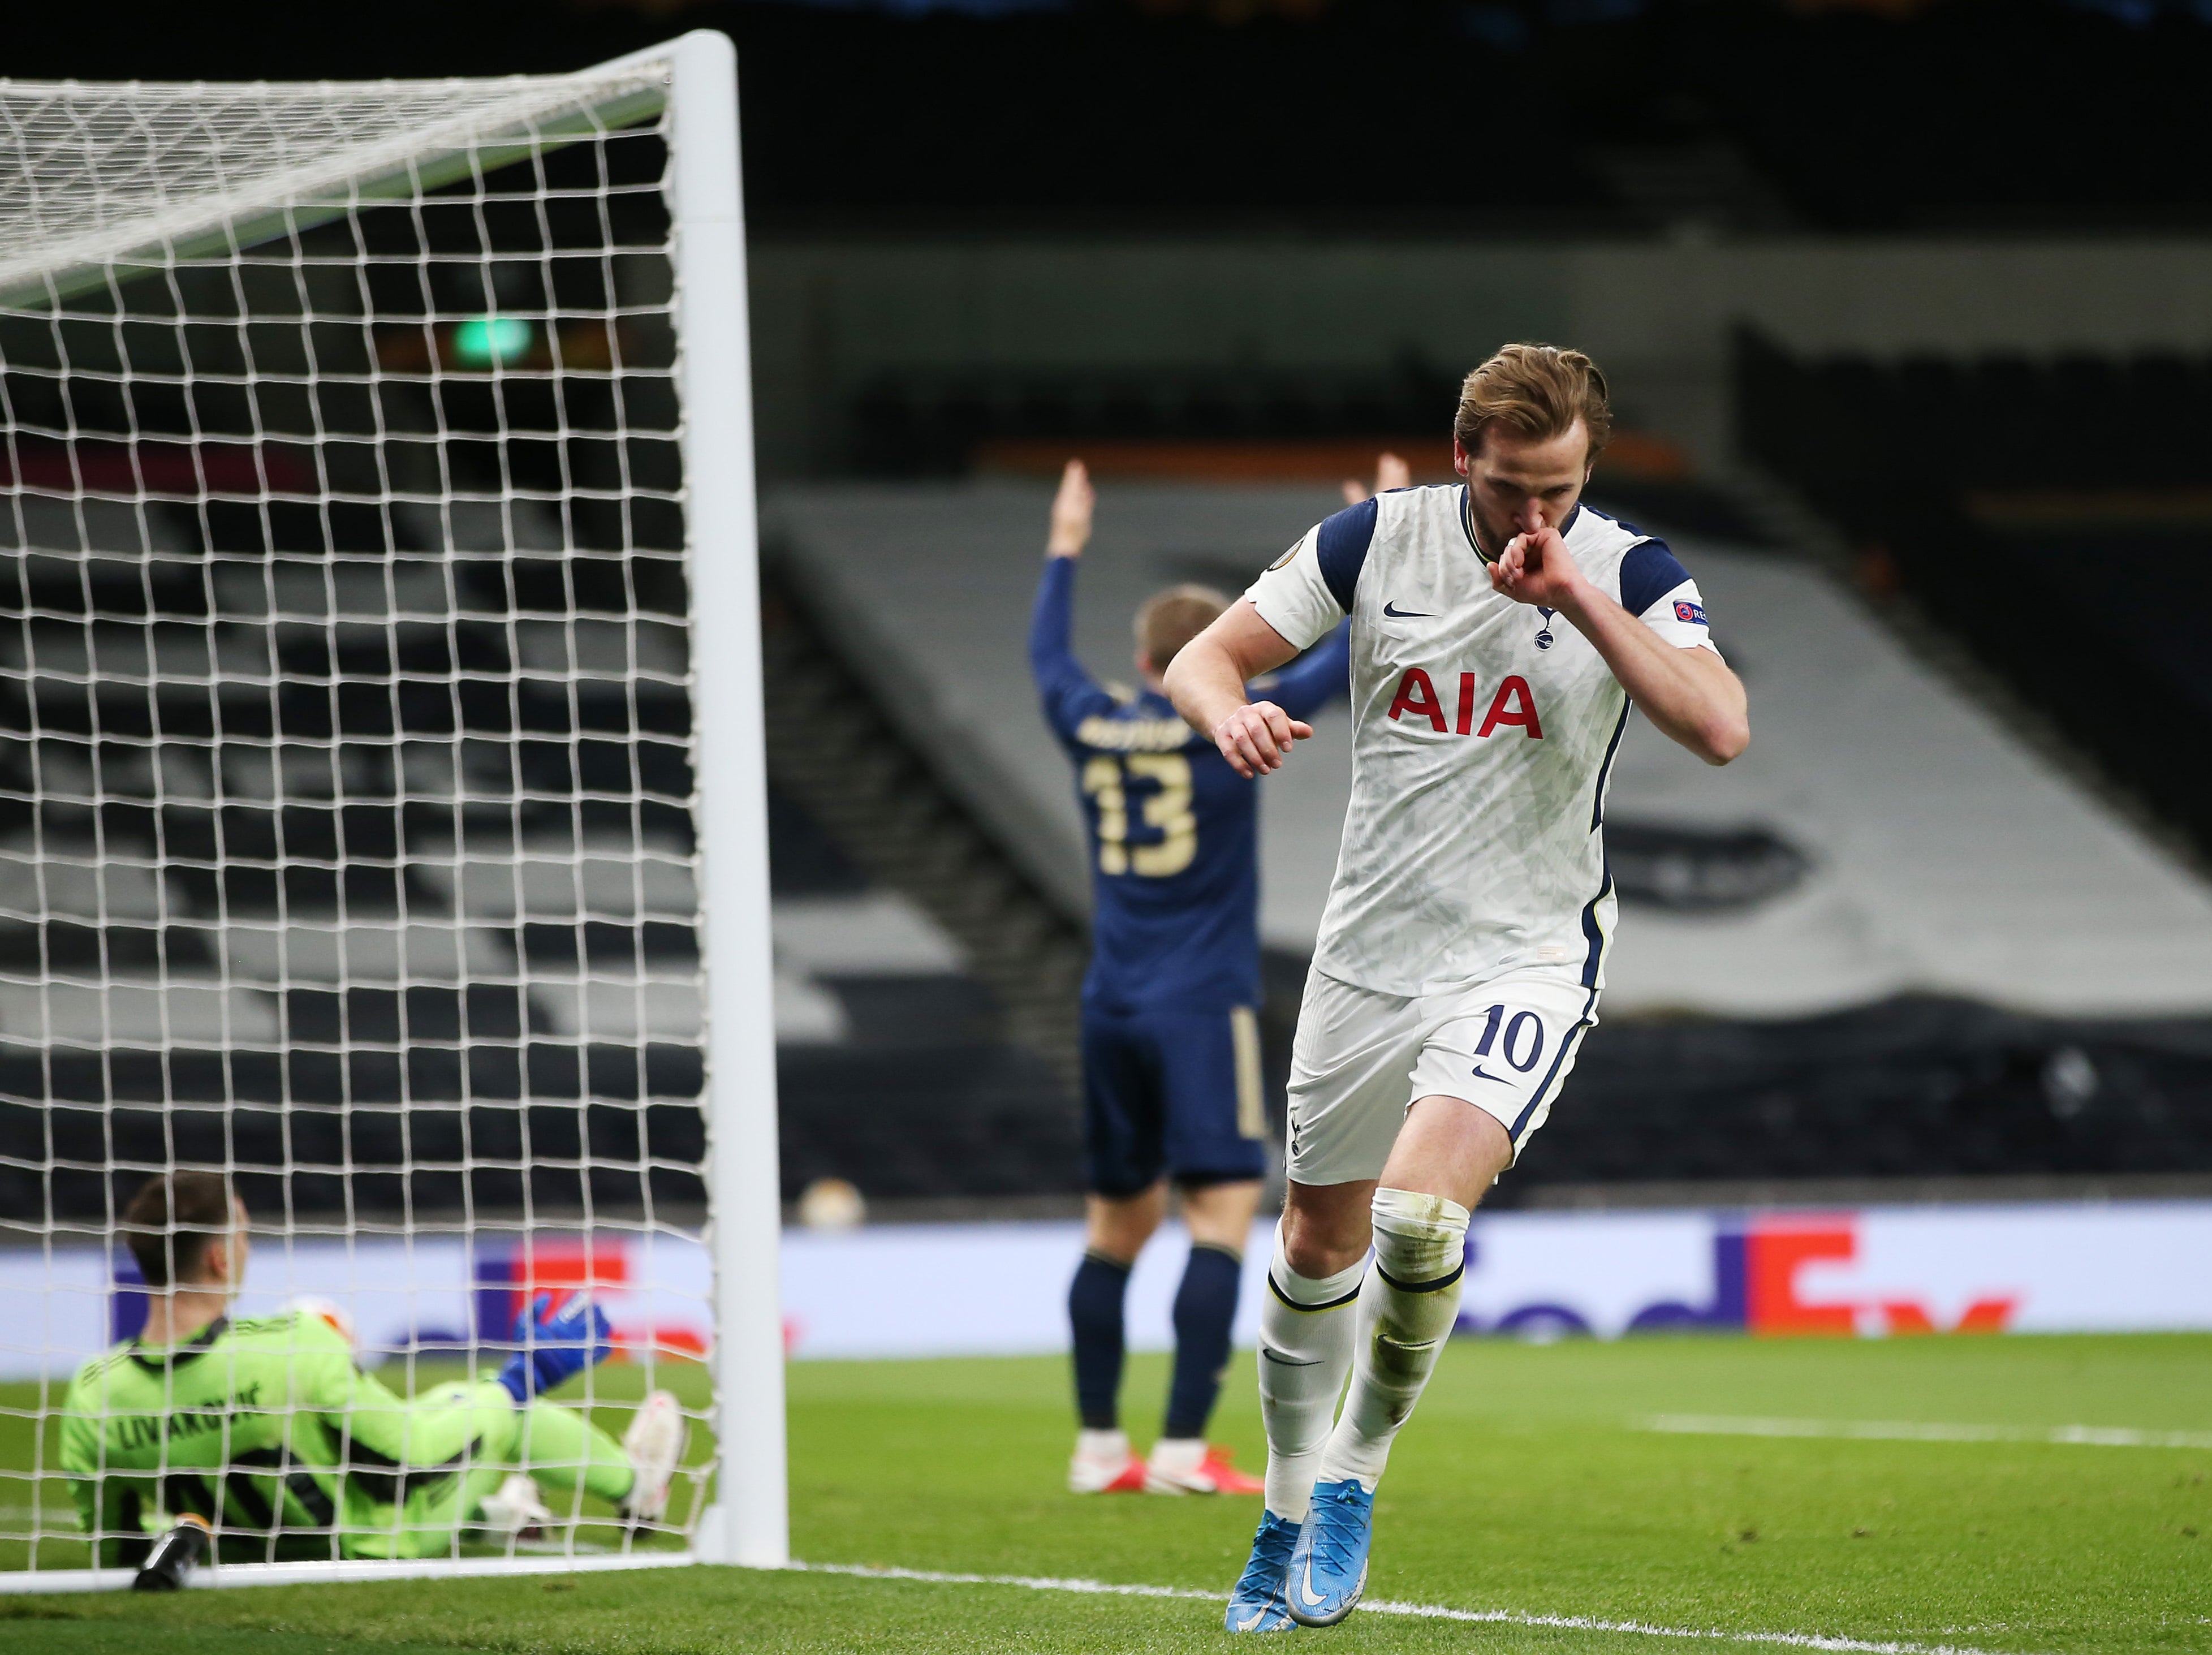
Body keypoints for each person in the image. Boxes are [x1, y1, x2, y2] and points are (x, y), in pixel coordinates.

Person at [1165, 345, 1748, 1628]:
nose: (1536, 516)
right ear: (1459, 457)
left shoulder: (1632, 569)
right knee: (1315, 1244)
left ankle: (1350, 1481)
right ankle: (1278, 1509)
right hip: (1369, 953)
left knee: (1418, 1223)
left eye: (1561, 488)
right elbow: (1201, 659)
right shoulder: (1374, 540)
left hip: (1523, 949)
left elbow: (1717, 730)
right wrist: (1226, 716)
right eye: (1510, 493)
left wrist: (1577, 597)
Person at [1030, 458, 1378, 1496]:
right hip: (1201, 1001)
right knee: (1222, 1217)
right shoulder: (1229, 720)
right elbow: (1336, 660)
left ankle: (1098, 1448)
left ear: (1141, 656)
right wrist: (1370, 540)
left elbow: (1047, 657)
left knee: (1113, 1230)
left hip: (1109, 1004)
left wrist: (1063, 547)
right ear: (1200, 658)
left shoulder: (1088, 719)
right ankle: (1182, 1446)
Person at [61, 1171, 688, 1564]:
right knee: (483, 1409)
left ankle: (503, 1516)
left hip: (245, 1553)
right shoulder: (293, 1343)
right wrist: (519, 1381)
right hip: (371, 1541)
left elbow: (115, 1546)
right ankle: (638, 1488)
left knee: (442, 1404)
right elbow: (405, 1460)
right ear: (222, 1259)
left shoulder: (95, 1392)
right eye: (246, 1236)